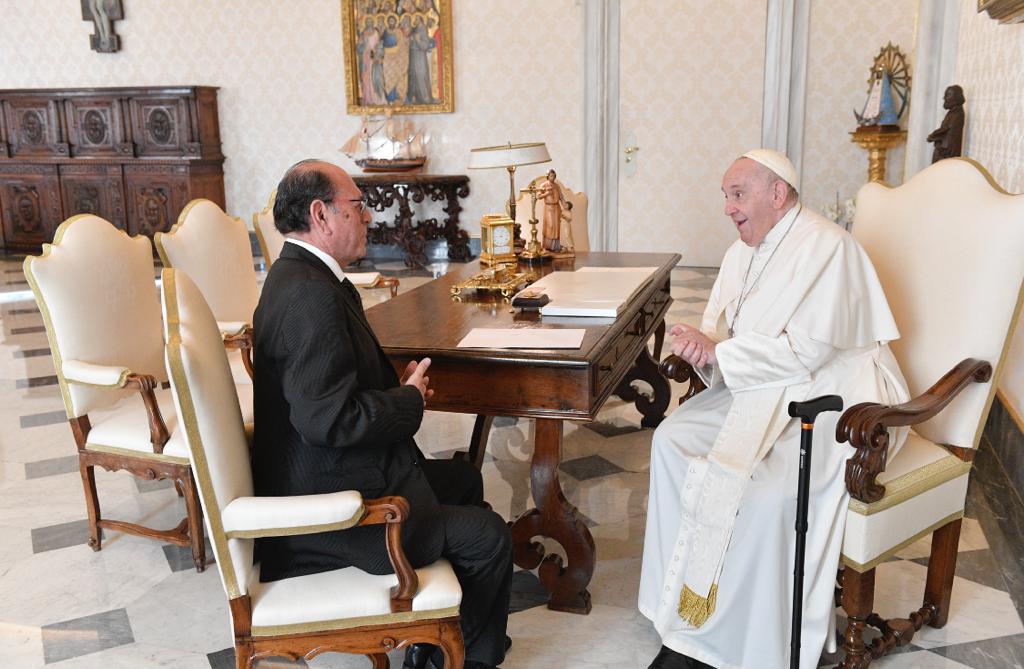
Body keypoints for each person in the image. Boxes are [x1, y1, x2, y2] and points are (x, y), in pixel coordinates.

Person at [638, 150, 910, 669]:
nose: (728, 207)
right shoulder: (741, 251)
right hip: (763, 385)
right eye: (726, 196)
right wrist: (703, 348)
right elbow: (722, 330)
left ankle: (749, 636)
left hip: (835, 397)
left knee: (767, 493)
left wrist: (720, 352)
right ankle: (681, 603)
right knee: (671, 440)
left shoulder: (828, 247)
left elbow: (809, 353)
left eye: (737, 194)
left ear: (777, 193)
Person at [252, 160, 512, 669]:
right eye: (358, 205)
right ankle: (467, 661)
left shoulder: (302, 276)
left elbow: (330, 390)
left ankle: (437, 639)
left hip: (329, 471)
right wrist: (408, 400)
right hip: (332, 510)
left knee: (464, 480)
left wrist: (396, 390)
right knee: (490, 537)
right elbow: (328, 420)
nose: (369, 216)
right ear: (321, 214)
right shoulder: (309, 294)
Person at [927, 85, 966, 163]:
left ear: (957, 97)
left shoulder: (958, 113)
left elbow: (946, 128)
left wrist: (933, 135)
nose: (944, 98)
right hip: (943, 150)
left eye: (948, 95)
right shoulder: (952, 112)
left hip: (946, 153)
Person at [537, 170, 568, 253]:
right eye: (551, 176)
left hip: (556, 207)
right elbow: (538, 196)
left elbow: (561, 196)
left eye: (554, 176)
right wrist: (546, 194)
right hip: (548, 207)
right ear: (547, 176)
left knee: (556, 226)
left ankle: (555, 246)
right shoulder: (544, 185)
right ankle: (547, 246)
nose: (553, 177)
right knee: (550, 226)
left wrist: (564, 204)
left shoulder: (557, 186)